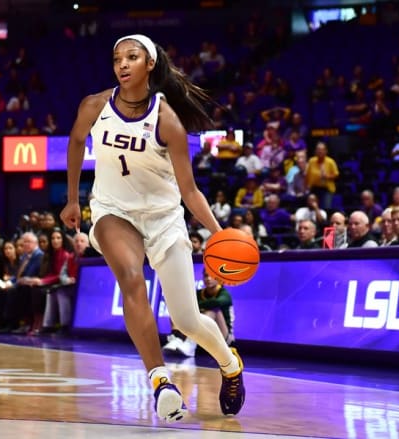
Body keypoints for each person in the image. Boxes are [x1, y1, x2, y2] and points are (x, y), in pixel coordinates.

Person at [59, 34, 245, 421]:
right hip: (113, 211)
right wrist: (74, 198)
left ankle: (230, 365)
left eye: (132, 57)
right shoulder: (94, 106)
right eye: (117, 59)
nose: (122, 64)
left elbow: (190, 191)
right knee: (130, 278)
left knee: (186, 320)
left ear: (150, 65)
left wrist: (217, 232)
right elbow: (76, 142)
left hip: (163, 218)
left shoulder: (167, 121)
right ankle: (160, 380)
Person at [163, 269, 234, 357]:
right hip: (204, 337)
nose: (208, 279)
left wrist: (196, 306)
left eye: (211, 276)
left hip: (223, 338)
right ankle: (177, 338)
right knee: (178, 309)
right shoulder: (199, 293)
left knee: (213, 311)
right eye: (205, 276)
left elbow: (217, 303)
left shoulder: (224, 294)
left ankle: (191, 343)